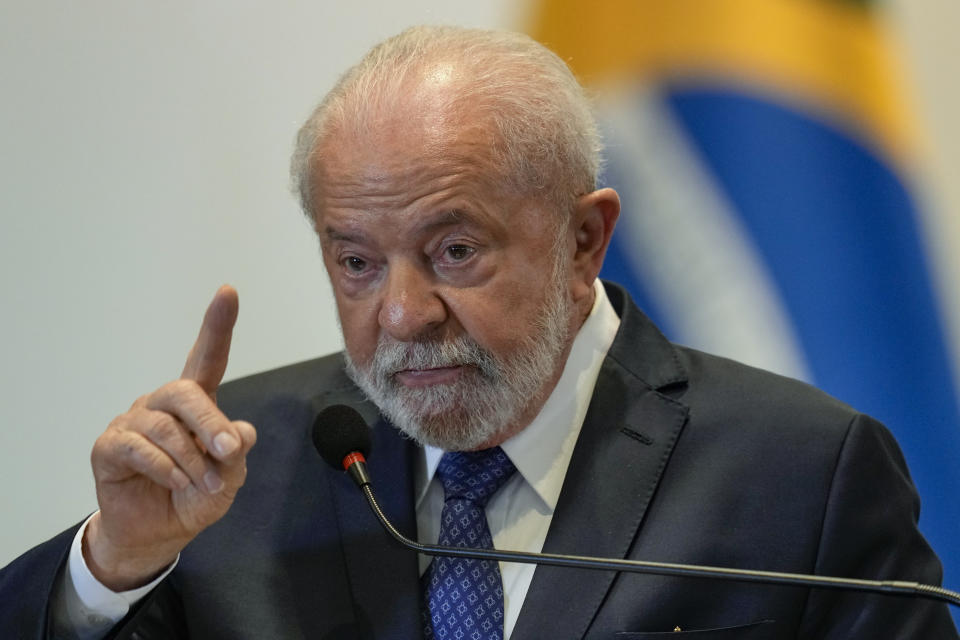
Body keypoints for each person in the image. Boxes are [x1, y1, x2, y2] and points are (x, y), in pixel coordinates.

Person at [1, 25, 957, 639]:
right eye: (356, 263)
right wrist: (112, 567)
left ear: (586, 238)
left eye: (454, 250)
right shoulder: (230, 469)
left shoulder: (802, 474)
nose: (403, 316)